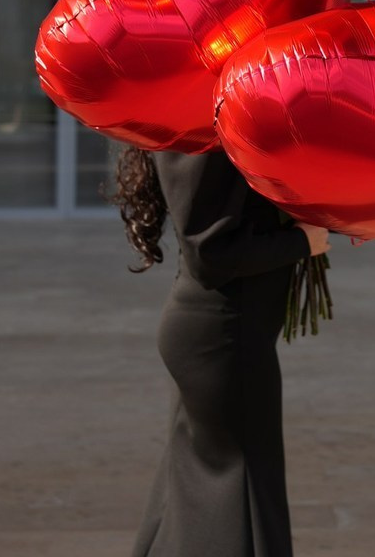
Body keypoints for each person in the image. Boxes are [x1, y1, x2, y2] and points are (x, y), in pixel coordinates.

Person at [114, 145, 330, 557]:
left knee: (197, 499)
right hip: (222, 339)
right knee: (241, 493)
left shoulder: (212, 123)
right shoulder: (199, 135)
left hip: (221, 337)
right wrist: (300, 243)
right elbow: (210, 254)